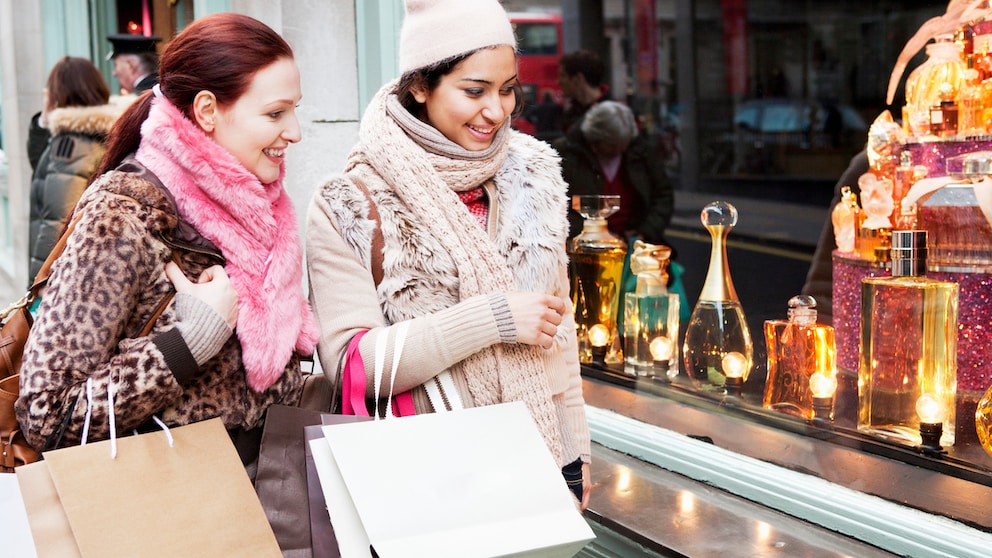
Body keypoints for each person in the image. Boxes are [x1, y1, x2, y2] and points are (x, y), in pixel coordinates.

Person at [306, 0, 592, 510]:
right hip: (428, 480)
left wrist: (573, 455)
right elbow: (351, 366)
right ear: (419, 86)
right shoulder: (349, 202)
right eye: (474, 91)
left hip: (536, 461)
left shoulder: (532, 174)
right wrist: (493, 318)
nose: (497, 111)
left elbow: (558, 333)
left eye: (508, 90)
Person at [16, 13, 318, 470]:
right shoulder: (123, 216)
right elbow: (46, 414)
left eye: (294, 109)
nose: (294, 131)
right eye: (276, 113)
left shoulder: (258, 207)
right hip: (170, 517)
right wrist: (187, 343)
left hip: (265, 504)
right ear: (207, 111)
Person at [26, 56, 129, 281]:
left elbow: (56, 223)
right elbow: (42, 169)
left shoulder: (71, 145)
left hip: (61, 282)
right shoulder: (100, 136)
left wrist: (36, 288)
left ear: (58, 95)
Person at [553, 100, 674, 247]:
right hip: (586, 248)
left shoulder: (641, 153)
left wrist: (645, 232)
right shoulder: (565, 154)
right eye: (613, 145)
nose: (620, 150)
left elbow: (663, 195)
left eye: (624, 144)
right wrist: (596, 234)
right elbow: (555, 206)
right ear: (596, 138)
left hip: (636, 245)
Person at [558, 49, 609, 134]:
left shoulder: (614, 114)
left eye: (563, 75)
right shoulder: (569, 116)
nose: (559, 82)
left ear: (578, 78)